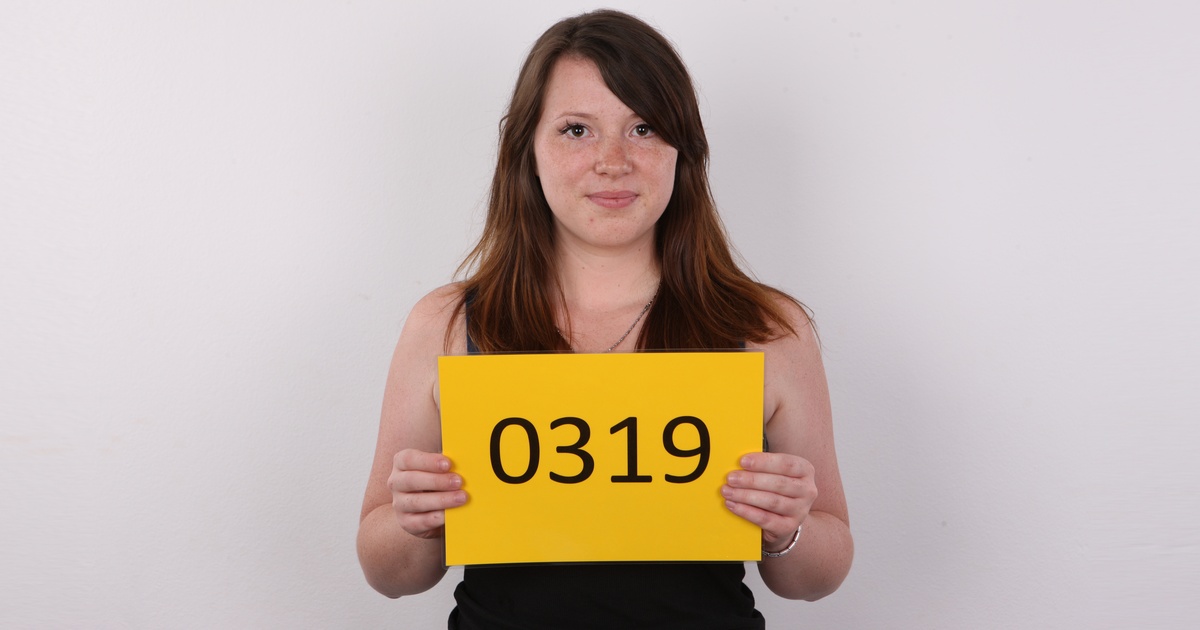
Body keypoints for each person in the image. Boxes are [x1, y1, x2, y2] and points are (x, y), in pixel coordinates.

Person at [357, 9, 852, 628]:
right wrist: (416, 521)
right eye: (576, 130)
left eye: (643, 128)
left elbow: (817, 578)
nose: (613, 161)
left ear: (682, 150)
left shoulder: (767, 328)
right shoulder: (448, 324)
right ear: (527, 149)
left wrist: (787, 528)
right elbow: (389, 575)